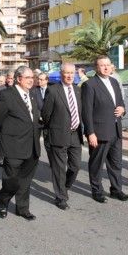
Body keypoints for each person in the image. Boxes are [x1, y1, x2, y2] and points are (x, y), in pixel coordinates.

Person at [0, 66, 41, 220]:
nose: (31, 80)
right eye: (28, 77)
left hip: (32, 146)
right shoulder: (6, 95)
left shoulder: (32, 95)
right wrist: (4, 138)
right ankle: (3, 202)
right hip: (13, 146)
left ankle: (22, 208)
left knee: (25, 181)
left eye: (32, 77)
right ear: (19, 79)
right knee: (11, 181)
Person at [81, 55, 128, 203]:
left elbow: (120, 103)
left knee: (116, 164)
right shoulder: (90, 85)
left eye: (108, 65)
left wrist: (123, 109)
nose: (106, 67)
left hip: (116, 130)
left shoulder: (114, 82)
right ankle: (97, 191)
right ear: (96, 67)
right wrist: (90, 133)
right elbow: (86, 111)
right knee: (96, 164)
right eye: (102, 65)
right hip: (99, 132)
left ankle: (116, 190)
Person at [41, 63, 83, 210]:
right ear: (61, 74)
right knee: (59, 168)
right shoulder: (52, 91)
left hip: (75, 134)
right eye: (67, 73)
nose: (70, 75)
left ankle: (63, 187)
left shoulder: (78, 91)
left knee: (76, 166)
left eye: (72, 73)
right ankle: (61, 197)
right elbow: (46, 114)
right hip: (58, 134)